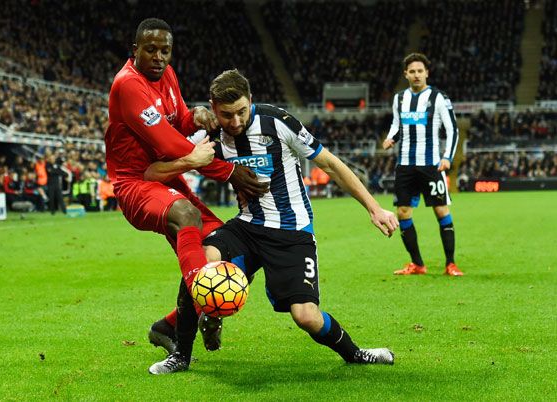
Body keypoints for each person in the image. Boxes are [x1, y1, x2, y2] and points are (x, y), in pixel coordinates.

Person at [146, 69, 399, 374]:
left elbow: (330, 164)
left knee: (306, 316)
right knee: (199, 266)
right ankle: (181, 356)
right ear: (213, 109)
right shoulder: (209, 135)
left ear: (251, 100)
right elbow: (152, 172)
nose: (236, 121)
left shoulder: (278, 122)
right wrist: (188, 160)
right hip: (247, 226)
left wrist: (374, 208)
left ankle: (356, 353)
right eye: (227, 115)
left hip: (292, 231)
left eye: (242, 111)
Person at [105, 18, 266, 322]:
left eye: (165, 50)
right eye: (151, 49)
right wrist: (228, 172)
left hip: (168, 176)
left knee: (231, 250)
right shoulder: (128, 84)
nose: (159, 57)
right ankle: (205, 304)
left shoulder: (166, 75)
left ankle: (169, 326)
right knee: (186, 214)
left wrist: (197, 115)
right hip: (136, 183)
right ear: (135, 49)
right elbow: (170, 144)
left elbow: (178, 120)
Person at [382, 53, 463, 276]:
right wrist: (391, 138)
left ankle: (451, 263)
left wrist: (447, 157)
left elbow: (453, 129)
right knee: (403, 212)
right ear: (405, 74)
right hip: (405, 166)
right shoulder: (399, 99)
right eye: (412, 71)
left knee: (440, 209)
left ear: (427, 73)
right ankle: (417, 264)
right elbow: (397, 126)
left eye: (420, 71)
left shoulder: (438, 98)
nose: (417, 75)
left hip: (432, 165)